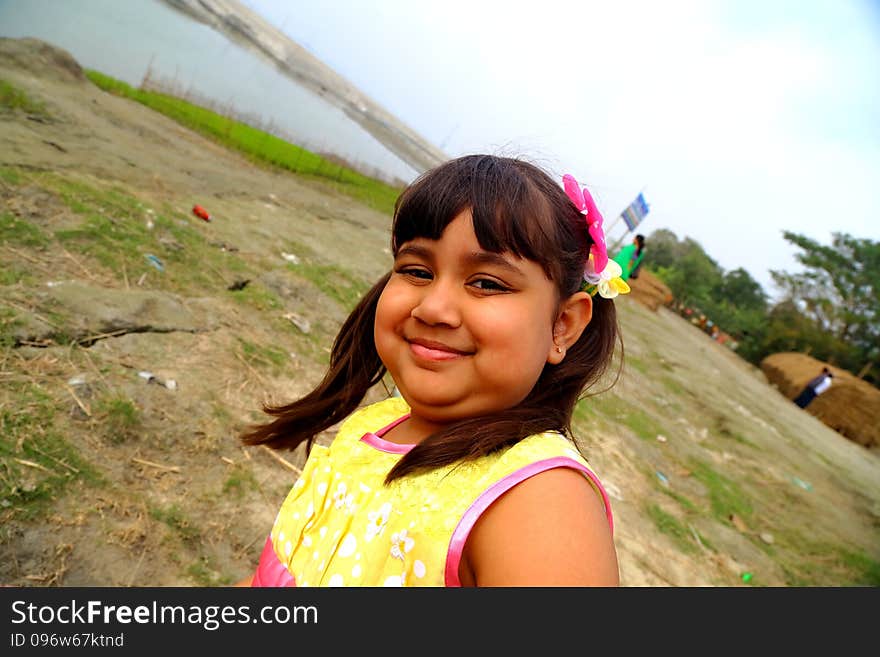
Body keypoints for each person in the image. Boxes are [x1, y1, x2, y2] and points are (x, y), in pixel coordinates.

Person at [238, 155, 627, 587]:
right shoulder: (381, 422)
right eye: (417, 271)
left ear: (563, 325)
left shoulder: (539, 501)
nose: (433, 308)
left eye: (486, 283)